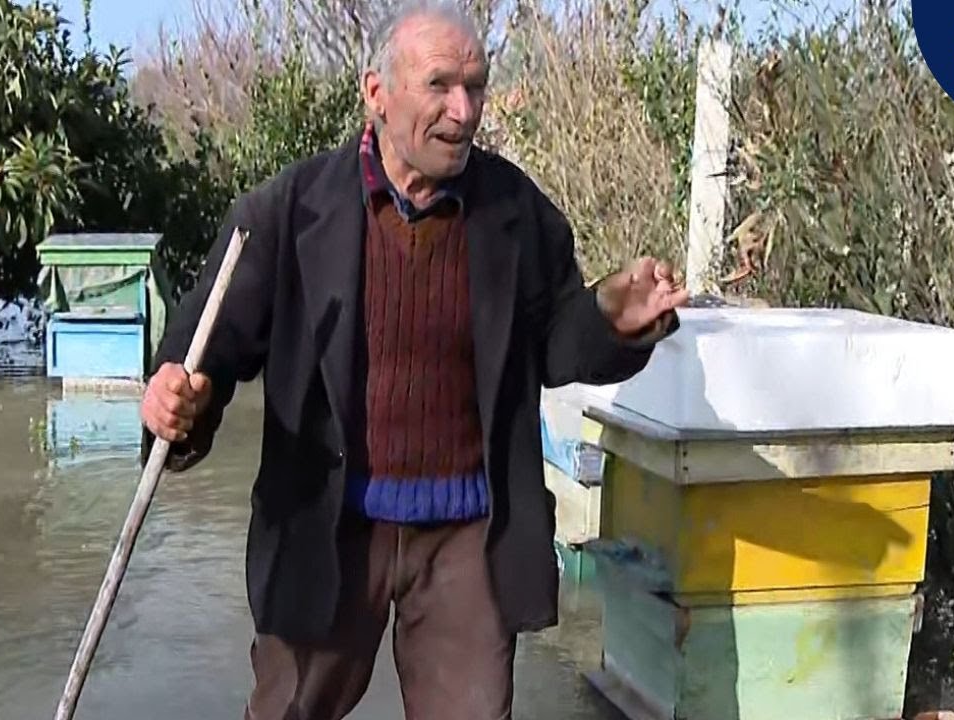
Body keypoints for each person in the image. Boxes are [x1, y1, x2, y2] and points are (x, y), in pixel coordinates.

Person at [139, 1, 689, 717]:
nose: (464, 111)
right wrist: (175, 401)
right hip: (329, 525)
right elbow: (203, 349)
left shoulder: (514, 213)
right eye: (440, 85)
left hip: (467, 534)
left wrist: (611, 318)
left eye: (476, 86)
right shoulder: (288, 212)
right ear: (377, 93)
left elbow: (554, 346)